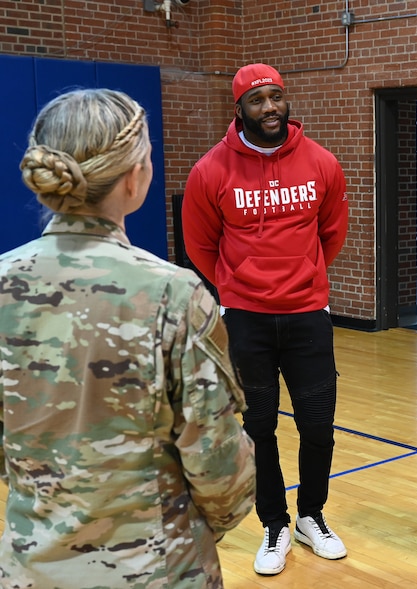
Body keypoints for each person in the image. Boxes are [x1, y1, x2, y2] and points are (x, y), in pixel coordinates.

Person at [0, 88, 256, 588]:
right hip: (157, 568)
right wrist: (214, 524)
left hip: (31, 567)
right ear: (136, 177)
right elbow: (218, 464)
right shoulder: (173, 295)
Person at [182, 63, 349, 576]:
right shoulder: (211, 170)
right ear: (239, 109)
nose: (269, 108)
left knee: (318, 424)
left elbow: (332, 233)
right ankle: (274, 524)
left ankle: (311, 516)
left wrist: (304, 278)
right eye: (257, 101)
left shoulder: (321, 161)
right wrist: (239, 287)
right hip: (247, 320)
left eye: (276, 97)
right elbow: (201, 246)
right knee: (258, 427)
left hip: (307, 315)